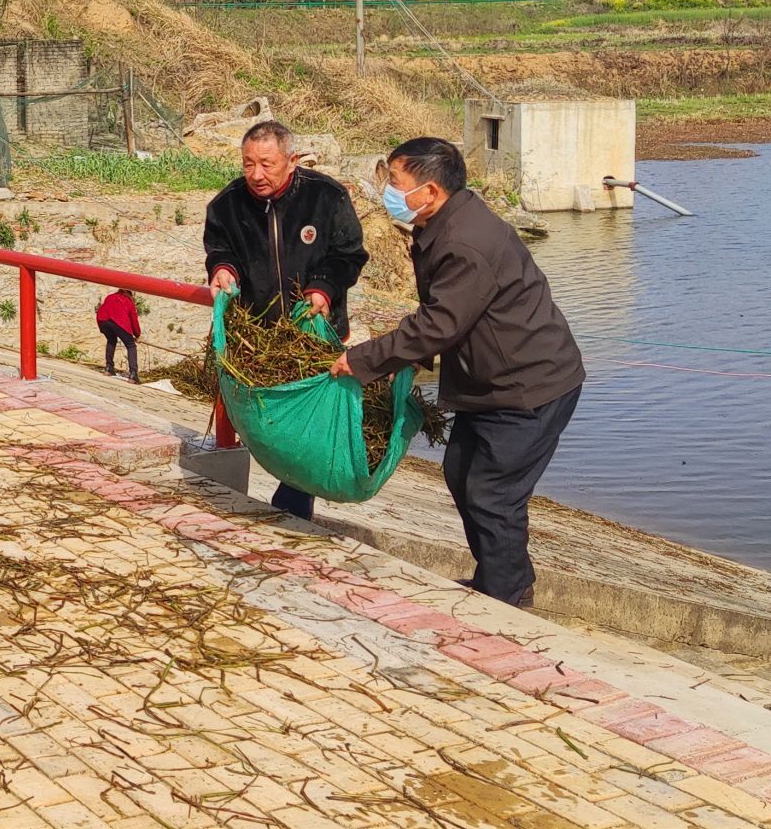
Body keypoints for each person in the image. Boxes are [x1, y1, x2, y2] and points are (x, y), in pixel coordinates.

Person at [330, 137, 583, 609]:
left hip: (529, 385)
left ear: (429, 191)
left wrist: (364, 361)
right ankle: (505, 578)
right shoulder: (447, 222)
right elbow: (445, 319)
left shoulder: (465, 241)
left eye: (396, 183)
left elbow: (438, 325)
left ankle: (507, 600)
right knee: (462, 471)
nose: (388, 190)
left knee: (491, 491)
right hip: (492, 382)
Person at [203, 120, 368, 520]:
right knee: (268, 417)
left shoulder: (325, 197)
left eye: (266, 163)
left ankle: (293, 499)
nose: (256, 174)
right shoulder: (226, 204)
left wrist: (323, 287)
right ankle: (288, 493)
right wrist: (222, 269)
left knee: (305, 419)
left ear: (291, 161)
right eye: (248, 164)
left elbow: (350, 254)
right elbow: (218, 248)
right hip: (259, 337)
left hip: (315, 333)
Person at [95, 288, 141, 381]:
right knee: (131, 345)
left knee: (111, 340)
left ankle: (109, 368)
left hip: (103, 320)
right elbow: (134, 321)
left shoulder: (110, 297)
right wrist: (137, 335)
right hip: (118, 321)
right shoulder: (128, 302)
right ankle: (133, 374)